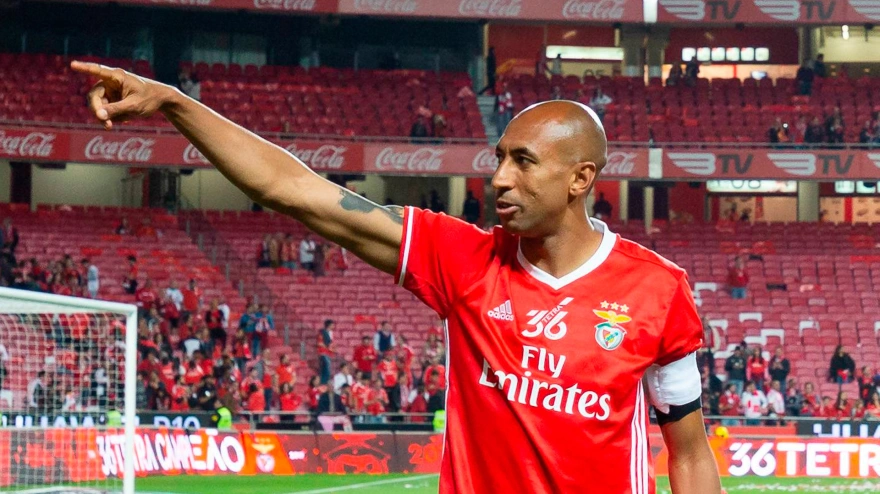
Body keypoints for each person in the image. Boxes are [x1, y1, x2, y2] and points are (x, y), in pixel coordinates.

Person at [73, 62, 721, 492]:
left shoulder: (658, 291)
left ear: (581, 178)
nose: (498, 178)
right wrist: (175, 103)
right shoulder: (460, 258)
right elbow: (295, 189)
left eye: (523, 162)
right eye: (499, 160)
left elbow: (688, 452)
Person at [317, 319, 334, 385]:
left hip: (329, 353)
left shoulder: (331, 333)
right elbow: (319, 343)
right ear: (329, 325)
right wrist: (328, 347)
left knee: (326, 368)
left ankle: (324, 382)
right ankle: (324, 383)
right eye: (332, 325)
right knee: (326, 368)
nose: (333, 326)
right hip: (323, 353)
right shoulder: (322, 333)